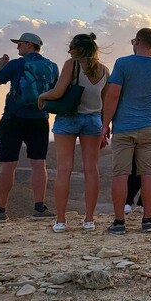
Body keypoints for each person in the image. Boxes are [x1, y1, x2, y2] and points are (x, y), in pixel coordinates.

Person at [101, 28, 151, 234]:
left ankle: (119, 222)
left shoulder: (123, 63)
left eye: (133, 40)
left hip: (124, 127)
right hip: (149, 127)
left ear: (138, 41)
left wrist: (105, 124)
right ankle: (147, 219)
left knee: (121, 175)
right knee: (149, 174)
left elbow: (113, 96)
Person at [0, 32, 59, 222]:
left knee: (8, 165)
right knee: (39, 164)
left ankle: (1, 210)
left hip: (13, 118)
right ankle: (39, 208)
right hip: (40, 118)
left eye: (20, 44)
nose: (17, 48)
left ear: (29, 45)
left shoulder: (16, 64)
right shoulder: (52, 66)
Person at [37, 33, 108, 232]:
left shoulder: (72, 64)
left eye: (71, 47)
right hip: (93, 120)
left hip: (69, 118)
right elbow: (103, 101)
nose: (69, 51)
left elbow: (58, 92)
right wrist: (105, 126)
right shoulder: (104, 70)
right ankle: (89, 220)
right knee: (91, 169)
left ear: (78, 49)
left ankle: (61, 221)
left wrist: (42, 96)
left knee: (64, 169)